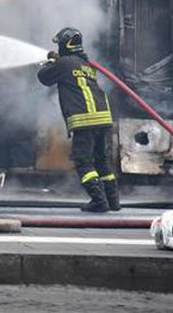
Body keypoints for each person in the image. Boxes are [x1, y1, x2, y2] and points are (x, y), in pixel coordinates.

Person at [37, 27, 121, 213]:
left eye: (59, 44)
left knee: (83, 161)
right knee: (101, 160)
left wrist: (50, 62)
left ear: (65, 45)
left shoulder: (65, 63)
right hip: (103, 118)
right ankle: (113, 201)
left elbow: (43, 77)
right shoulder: (85, 65)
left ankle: (98, 200)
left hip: (86, 119)